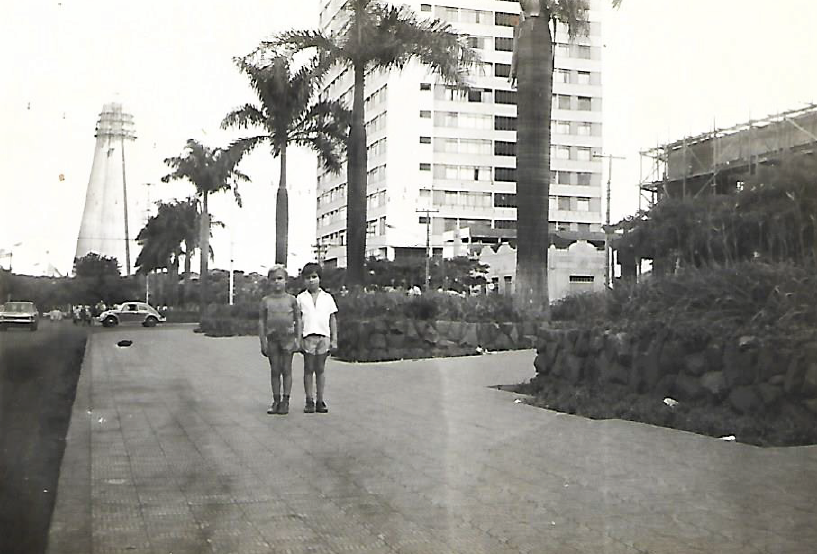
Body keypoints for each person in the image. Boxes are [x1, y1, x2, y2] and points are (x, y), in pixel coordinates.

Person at [259, 265, 301, 415]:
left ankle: (286, 401)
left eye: (280, 278)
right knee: (275, 370)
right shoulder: (266, 301)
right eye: (273, 279)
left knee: (286, 370)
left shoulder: (292, 300)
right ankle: (276, 400)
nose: (277, 282)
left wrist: (298, 339)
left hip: (288, 338)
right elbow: (262, 321)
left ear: (286, 281)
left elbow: (298, 319)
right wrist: (262, 341)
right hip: (272, 339)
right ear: (269, 282)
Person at [297, 262, 338, 414]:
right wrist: (299, 338)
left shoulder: (327, 298)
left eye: (314, 277)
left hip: (323, 337)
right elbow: (299, 319)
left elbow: (332, 319)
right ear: (304, 280)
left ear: (320, 278)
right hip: (308, 336)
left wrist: (334, 339)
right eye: (307, 278)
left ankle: (320, 400)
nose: (311, 280)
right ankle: (309, 400)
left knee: (320, 369)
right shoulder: (301, 298)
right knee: (308, 369)